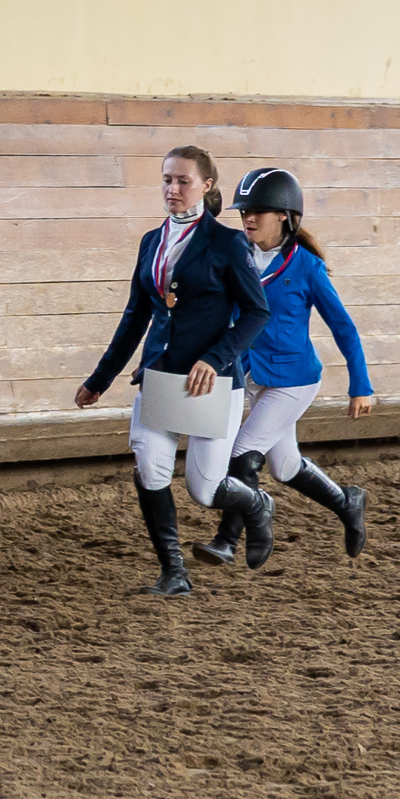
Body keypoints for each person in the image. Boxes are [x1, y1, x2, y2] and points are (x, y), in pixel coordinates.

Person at [76, 146, 274, 595]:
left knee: (204, 489)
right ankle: (174, 572)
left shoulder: (227, 243)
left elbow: (256, 312)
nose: (173, 188)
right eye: (167, 179)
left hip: (210, 381)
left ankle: (257, 504)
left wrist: (215, 358)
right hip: (162, 375)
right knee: (149, 467)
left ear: (206, 185)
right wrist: (100, 379)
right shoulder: (152, 241)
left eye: (184, 181)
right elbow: (135, 317)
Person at [204, 168, 369, 563]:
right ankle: (347, 502)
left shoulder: (306, 267)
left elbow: (344, 328)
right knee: (285, 465)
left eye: (257, 211)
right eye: (244, 211)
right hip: (253, 374)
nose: (248, 218)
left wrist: (360, 385)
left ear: (284, 215)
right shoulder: (237, 255)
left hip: (294, 380)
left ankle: (227, 541)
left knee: (243, 452)